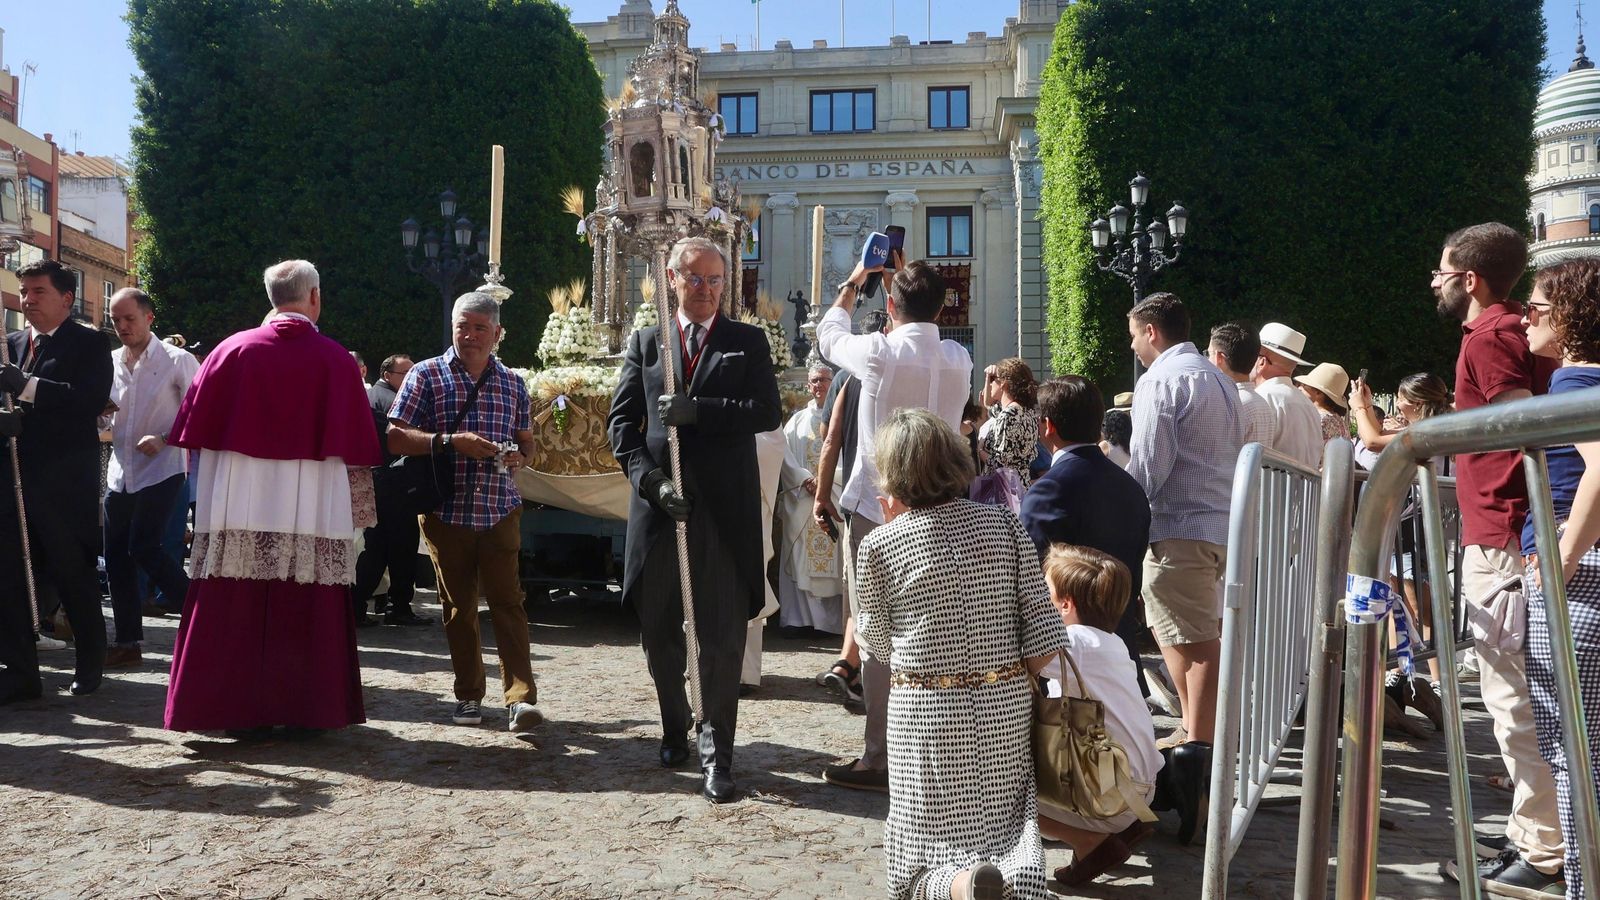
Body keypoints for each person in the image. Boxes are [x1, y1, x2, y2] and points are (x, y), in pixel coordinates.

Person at [853, 408, 1065, 900]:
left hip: (925, 713)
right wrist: (1007, 675)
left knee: (919, 842)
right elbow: (1045, 633)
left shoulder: (882, 544)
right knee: (1005, 828)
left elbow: (878, 646)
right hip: (1003, 705)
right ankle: (1006, 883)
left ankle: (955, 886)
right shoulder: (1002, 525)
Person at [164, 260, 381, 736]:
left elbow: (193, 433)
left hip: (237, 498)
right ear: (315, 298)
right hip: (311, 500)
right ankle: (307, 709)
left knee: (231, 594)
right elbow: (359, 450)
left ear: (270, 297)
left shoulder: (228, 352)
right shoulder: (335, 360)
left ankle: (221, 709)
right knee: (307, 597)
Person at [606, 236, 781, 803]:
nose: (705, 290)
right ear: (673, 281)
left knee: (723, 638)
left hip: (724, 516)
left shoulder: (746, 341)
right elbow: (621, 429)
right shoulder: (647, 342)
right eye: (695, 279)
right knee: (659, 634)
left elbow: (765, 410)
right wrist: (651, 482)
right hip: (661, 516)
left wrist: (699, 413)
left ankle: (717, 750)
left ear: (725, 285)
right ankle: (675, 723)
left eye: (715, 280)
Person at [1434, 222, 1564, 894]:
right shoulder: (1512, 329)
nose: (1434, 280)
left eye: (1442, 269)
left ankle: (1543, 850)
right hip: (1510, 535)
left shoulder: (1491, 336)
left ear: (1470, 279)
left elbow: (1524, 425)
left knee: (1516, 701)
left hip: (1503, 541)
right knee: (1524, 697)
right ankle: (1534, 830)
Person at [816, 249, 973, 793]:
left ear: (890, 303)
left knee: (879, 633)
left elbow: (828, 335)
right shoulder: (959, 358)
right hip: (944, 506)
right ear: (944, 307)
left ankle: (879, 755)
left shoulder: (879, 352)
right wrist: (904, 281)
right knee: (936, 628)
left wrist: (854, 281)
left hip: (879, 508)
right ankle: (934, 748)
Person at [390, 293, 540, 733]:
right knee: (458, 608)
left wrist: (520, 457)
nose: (469, 336)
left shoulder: (513, 383)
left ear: (496, 333)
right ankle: (469, 696)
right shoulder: (426, 374)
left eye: (479, 328)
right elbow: (395, 438)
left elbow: (528, 443)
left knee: (509, 604)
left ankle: (521, 699)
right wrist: (448, 441)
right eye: (462, 326)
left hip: (500, 508)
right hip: (445, 510)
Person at [1125, 292, 1241, 806]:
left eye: (1133, 334)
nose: (1132, 346)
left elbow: (1150, 463)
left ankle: (1200, 741)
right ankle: (1198, 734)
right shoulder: (1218, 377)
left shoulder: (1162, 380)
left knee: (1187, 637)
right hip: (1217, 525)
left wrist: (1124, 507)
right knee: (1195, 632)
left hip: (1179, 525)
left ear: (1152, 331)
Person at [1521, 257, 1600, 900]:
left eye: (1538, 308)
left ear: (1571, 316)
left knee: (1575, 750)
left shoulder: (1573, 381)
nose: (1527, 318)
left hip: (1580, 585)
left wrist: (1560, 560)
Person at [0, 259, 113, 695]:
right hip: (13, 482)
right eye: (24, 291)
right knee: (10, 576)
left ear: (66, 298)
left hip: (64, 486)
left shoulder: (88, 344)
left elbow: (88, 401)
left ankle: (89, 666)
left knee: (72, 575)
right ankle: (21, 672)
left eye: (39, 292)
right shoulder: (10, 343)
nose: (28, 300)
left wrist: (28, 387)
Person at [1036, 544, 1162, 887]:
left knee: (1004, 796)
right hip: (1139, 789)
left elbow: (1014, 661)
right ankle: (1114, 830)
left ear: (1065, 604)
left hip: (1113, 792)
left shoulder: (1072, 641)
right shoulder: (1110, 642)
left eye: (1043, 590)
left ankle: (1089, 841)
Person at [1021, 377, 1151, 697]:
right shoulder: (1130, 487)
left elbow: (1029, 579)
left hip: (1067, 664)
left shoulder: (1049, 490)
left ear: (1047, 426)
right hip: (1121, 656)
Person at [1349, 372, 1453, 733]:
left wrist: (1360, 406)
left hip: (1415, 529)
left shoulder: (1431, 430)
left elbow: (1372, 441)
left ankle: (1438, 682)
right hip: (1410, 526)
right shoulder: (1429, 427)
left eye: (1400, 396)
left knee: (1418, 606)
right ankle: (1400, 671)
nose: (1396, 401)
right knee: (1396, 601)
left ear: (1415, 401)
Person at [102, 288, 200, 668]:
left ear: (149, 318)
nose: (123, 326)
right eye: (116, 320)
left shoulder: (177, 359)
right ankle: (127, 641)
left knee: (144, 546)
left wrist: (164, 438)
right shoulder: (110, 360)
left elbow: (198, 411)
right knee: (115, 556)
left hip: (163, 468)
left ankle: (198, 611)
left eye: (129, 318)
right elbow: (107, 409)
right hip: (120, 470)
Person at [353, 353, 430, 627]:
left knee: (376, 548)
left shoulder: (373, 395)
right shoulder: (391, 401)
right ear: (388, 375)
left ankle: (358, 606)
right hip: (394, 483)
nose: (411, 379)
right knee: (400, 547)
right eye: (405, 374)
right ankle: (397, 607)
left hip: (379, 480)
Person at [777, 363, 845, 636]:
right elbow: (783, 453)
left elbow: (848, 454)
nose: (820, 386)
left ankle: (831, 623)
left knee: (836, 557)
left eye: (825, 380)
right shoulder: (796, 420)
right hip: (803, 498)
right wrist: (804, 479)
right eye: (815, 381)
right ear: (808, 386)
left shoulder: (841, 418)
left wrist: (828, 482)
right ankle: (799, 619)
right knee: (800, 555)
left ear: (833, 384)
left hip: (832, 495)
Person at [1250, 322, 1322, 468]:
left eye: (1251, 354)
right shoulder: (1309, 406)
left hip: (1267, 490)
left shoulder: (1262, 399)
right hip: (1305, 490)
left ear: (1262, 362)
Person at [1206, 323, 1276, 449]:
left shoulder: (1227, 404)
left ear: (1219, 358)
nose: (1207, 359)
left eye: (1209, 353)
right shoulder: (1262, 404)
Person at [978, 357, 1042, 490]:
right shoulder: (1026, 411)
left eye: (992, 380)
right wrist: (988, 376)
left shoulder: (1008, 415)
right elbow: (988, 403)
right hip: (1021, 486)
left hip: (1004, 492)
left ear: (1003, 383)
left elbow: (1001, 464)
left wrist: (979, 451)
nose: (990, 385)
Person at [1294, 362, 1352, 443]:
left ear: (1318, 393)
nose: (1299, 388)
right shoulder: (1338, 421)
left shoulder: (1318, 420)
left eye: (1304, 385)